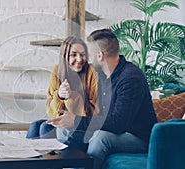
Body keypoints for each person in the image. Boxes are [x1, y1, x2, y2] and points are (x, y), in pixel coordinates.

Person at [47, 29, 157, 169]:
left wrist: (76, 120)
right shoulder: (103, 75)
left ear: (100, 55)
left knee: (100, 138)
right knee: (63, 131)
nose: (86, 59)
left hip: (138, 137)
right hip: (114, 130)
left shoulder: (130, 78)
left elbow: (118, 123)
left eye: (89, 54)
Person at [27, 36, 99, 144]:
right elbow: (51, 111)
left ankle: (50, 160)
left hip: (82, 122)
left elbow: (94, 111)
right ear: (65, 56)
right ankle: (26, 157)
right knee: (35, 125)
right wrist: (59, 96)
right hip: (63, 119)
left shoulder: (92, 72)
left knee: (44, 128)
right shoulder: (57, 70)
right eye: (73, 55)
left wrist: (71, 97)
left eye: (82, 54)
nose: (79, 59)